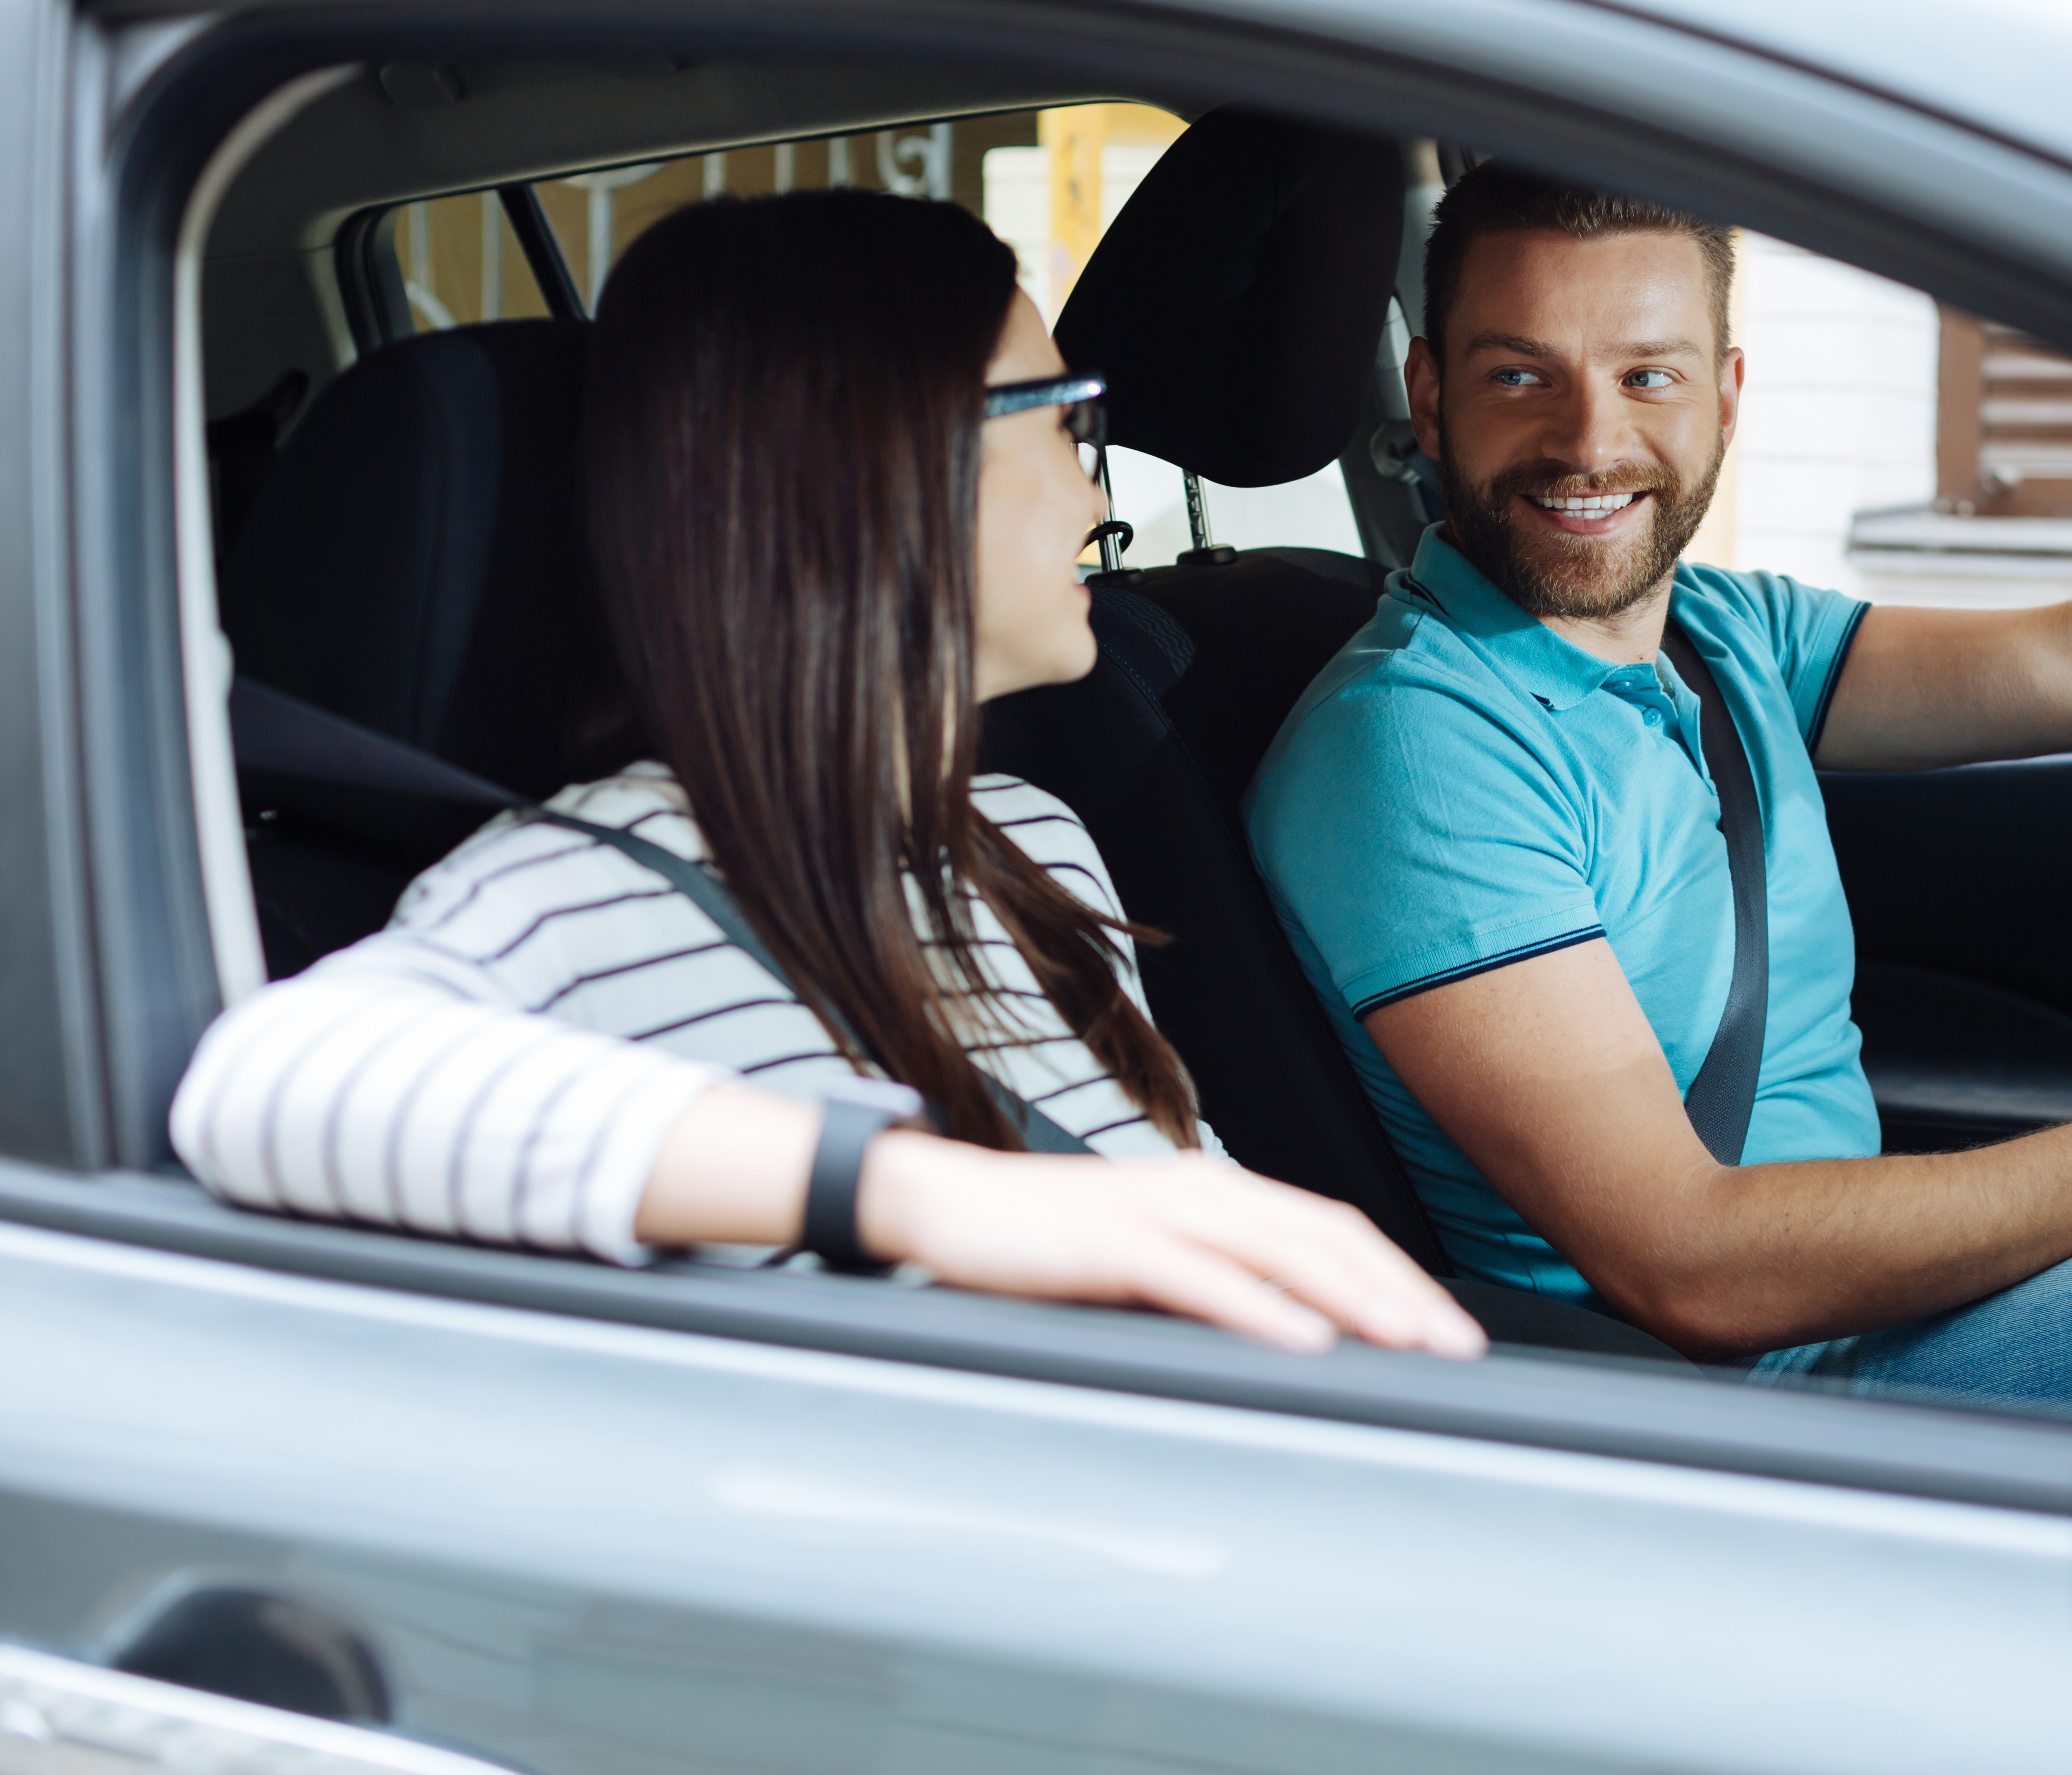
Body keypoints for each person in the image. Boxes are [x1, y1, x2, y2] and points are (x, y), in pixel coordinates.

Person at [1247, 165, 2072, 1405]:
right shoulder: (1415, 743)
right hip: (1762, 1403)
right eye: (1520, 376)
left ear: (1727, 398)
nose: (1590, 441)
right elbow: (1689, 1264)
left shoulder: (1724, 636)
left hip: (1873, 1314)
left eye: (1649, 377)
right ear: (1428, 395)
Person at [171, 190, 1484, 1362]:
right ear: (883, 468)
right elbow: (270, 1081)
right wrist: (921, 1191)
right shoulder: (586, 890)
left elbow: (1169, 1214)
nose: (1093, 492)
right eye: (1058, 417)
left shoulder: (1028, 842)